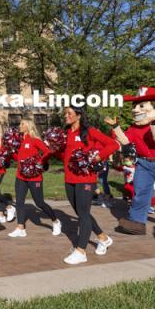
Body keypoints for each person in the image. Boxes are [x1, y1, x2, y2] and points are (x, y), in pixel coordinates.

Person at [62, 106, 118, 265]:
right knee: (82, 213)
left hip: (86, 179)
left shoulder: (90, 131)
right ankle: (103, 238)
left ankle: (81, 251)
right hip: (69, 179)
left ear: (78, 115)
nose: (66, 116)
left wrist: (96, 158)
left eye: (69, 113)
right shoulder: (67, 133)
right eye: (65, 113)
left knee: (84, 213)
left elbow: (113, 144)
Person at [106, 86, 155, 235]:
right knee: (140, 192)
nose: (135, 110)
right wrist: (116, 127)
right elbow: (126, 140)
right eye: (134, 106)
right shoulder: (134, 128)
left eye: (141, 106)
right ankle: (136, 222)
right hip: (144, 164)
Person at [7, 119, 61, 238]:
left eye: (22, 124)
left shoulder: (35, 140)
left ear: (28, 126)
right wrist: (11, 152)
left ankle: (56, 221)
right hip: (20, 176)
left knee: (39, 203)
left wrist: (39, 163)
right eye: (20, 123)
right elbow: (19, 158)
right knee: (19, 202)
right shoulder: (20, 141)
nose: (19, 126)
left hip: (35, 177)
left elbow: (47, 152)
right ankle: (20, 227)